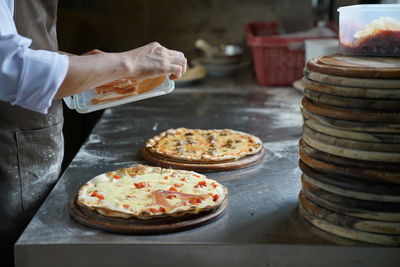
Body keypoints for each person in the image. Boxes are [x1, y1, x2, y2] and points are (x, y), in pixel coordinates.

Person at [0, 0, 187, 266]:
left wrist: (87, 66)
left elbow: (17, 48)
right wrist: (127, 62)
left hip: (29, 156)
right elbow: (9, 68)